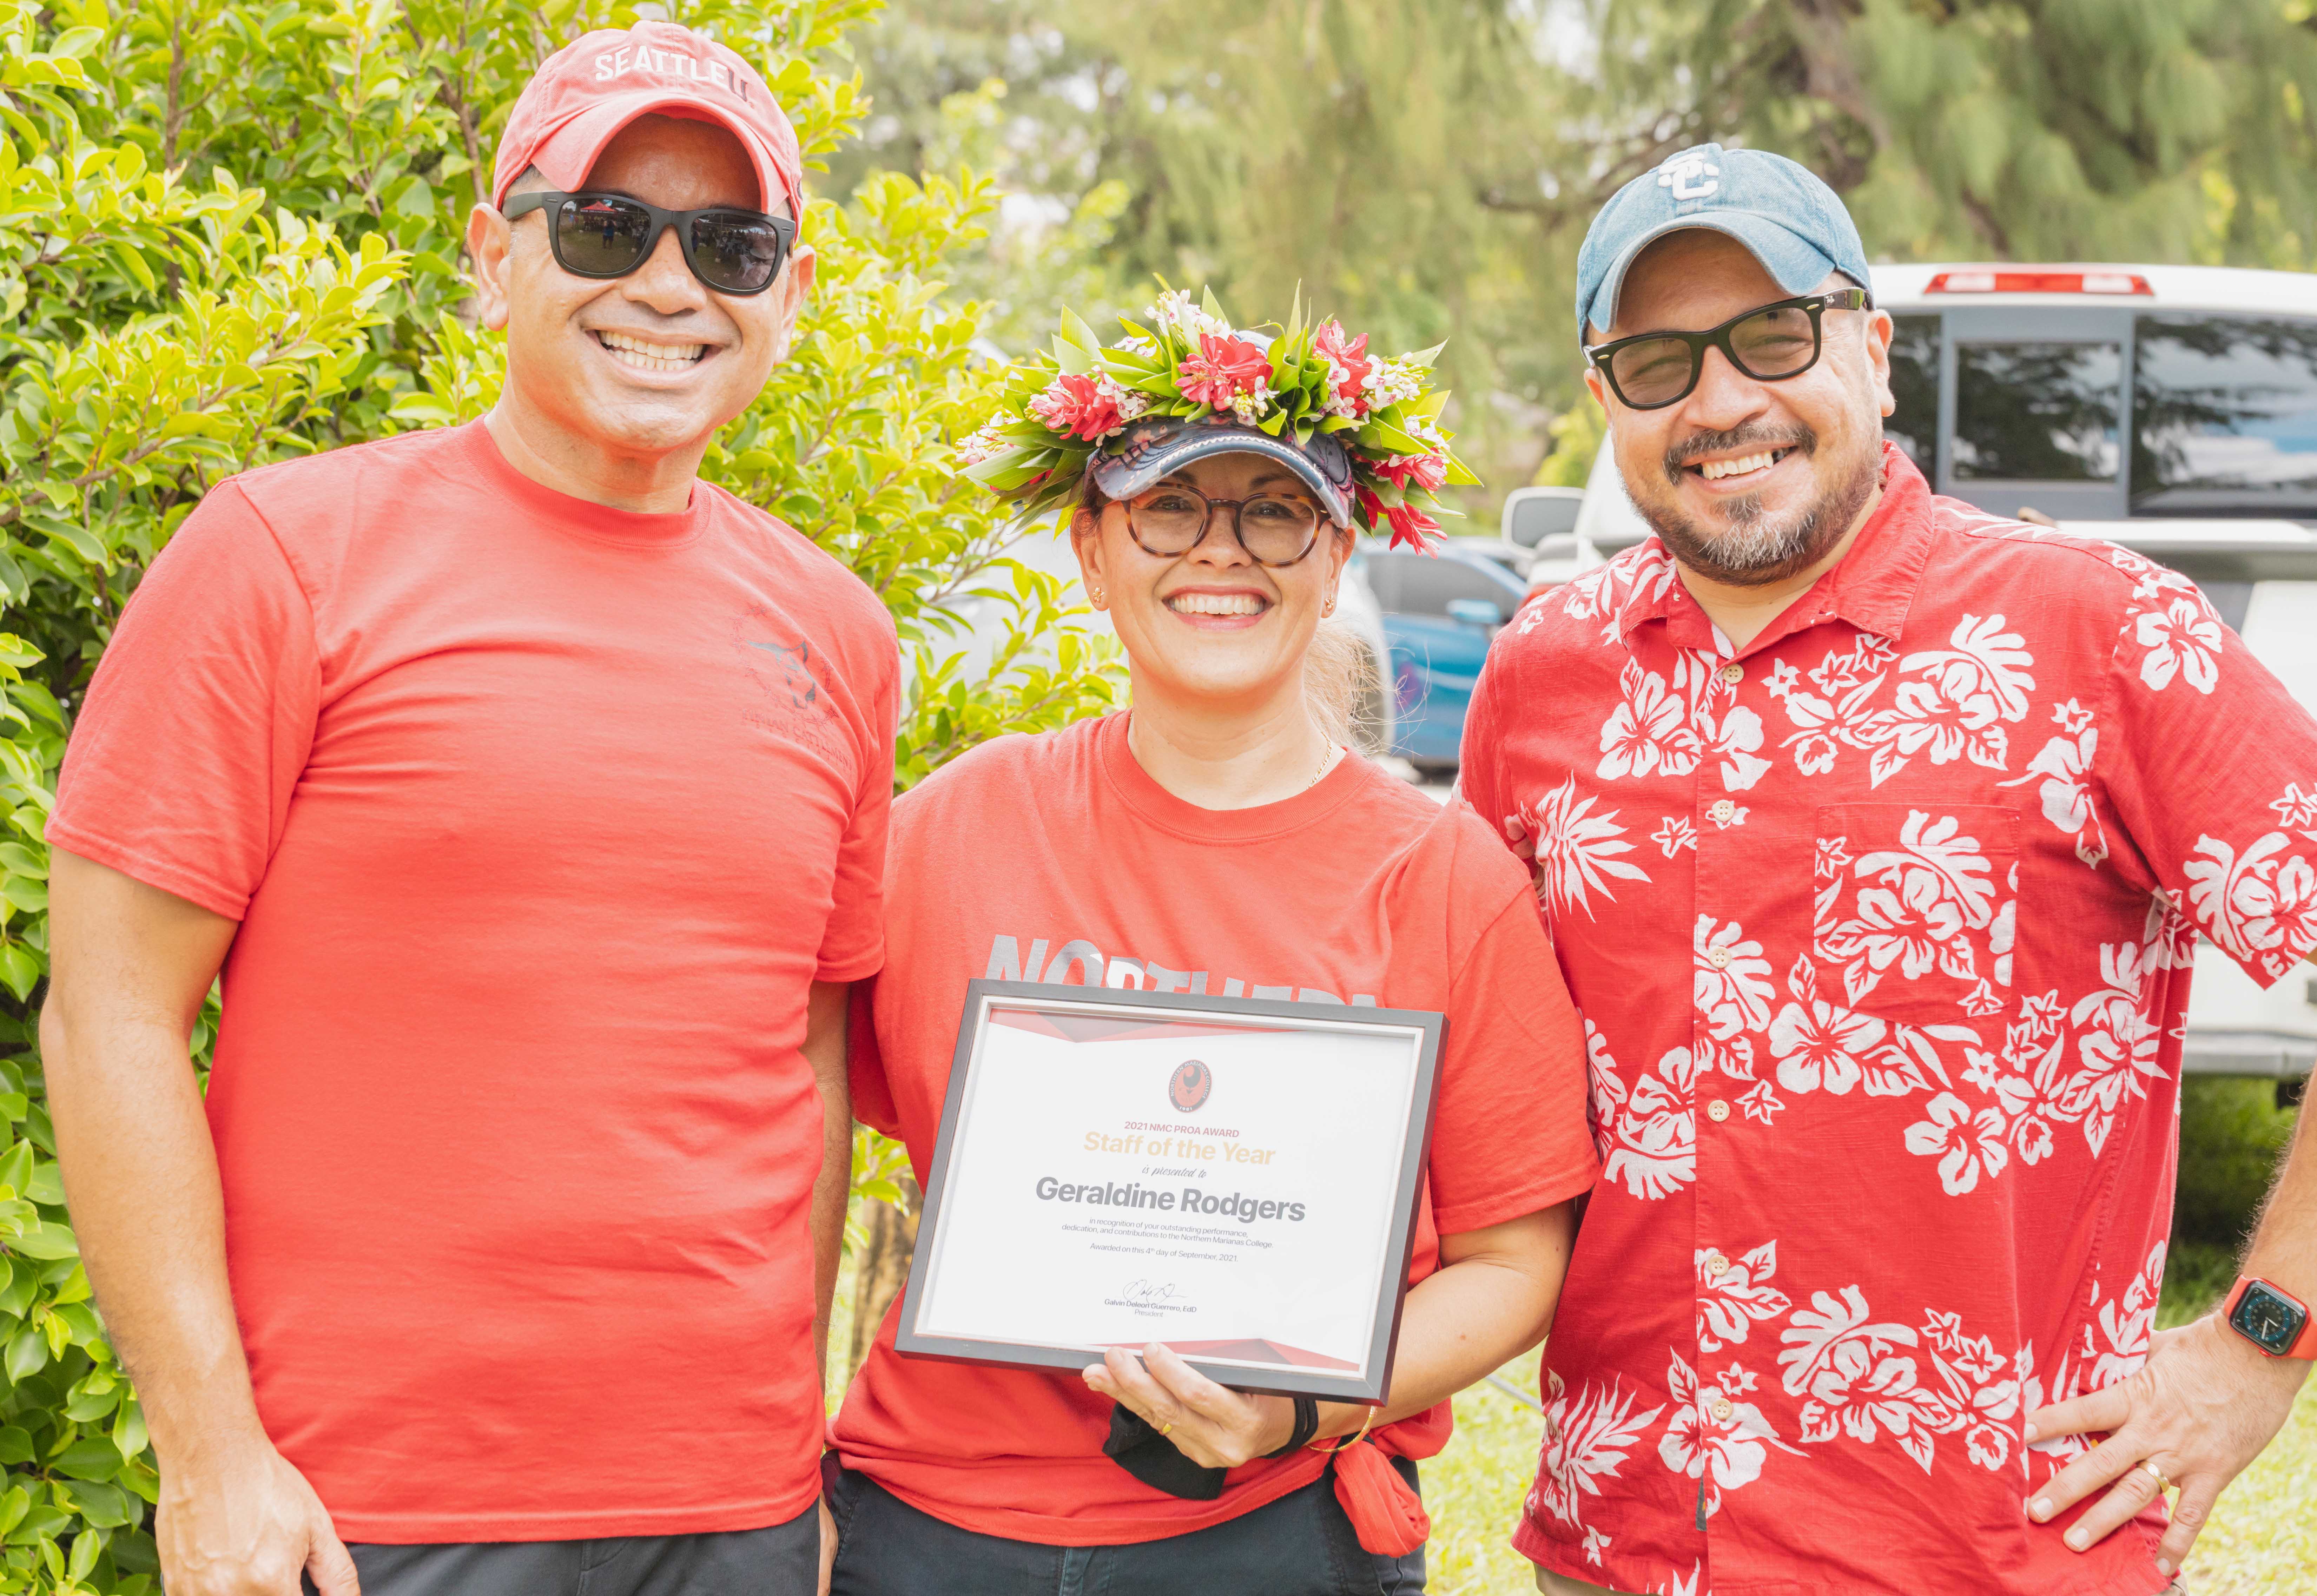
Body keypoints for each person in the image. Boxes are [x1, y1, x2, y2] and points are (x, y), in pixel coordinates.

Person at [39, 21, 895, 1596]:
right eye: (604, 226)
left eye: (729, 243)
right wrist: (210, 1450)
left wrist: (798, 1456)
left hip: (733, 1510)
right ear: (494, 257)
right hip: (360, 1510)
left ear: (789, 293)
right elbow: (108, 1017)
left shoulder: (839, 631)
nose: (666, 286)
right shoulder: (283, 558)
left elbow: (804, 1055)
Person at [1461, 141, 2317, 1596]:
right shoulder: (1543, 672)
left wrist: (2263, 1341)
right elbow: (1478, 1070)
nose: (1722, 402)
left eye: (1772, 337)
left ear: (1871, 344)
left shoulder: (2098, 633)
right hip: (1624, 1544)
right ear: (1603, 397)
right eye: (1659, 360)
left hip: (1996, 1554)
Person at [821, 294, 1598, 1595]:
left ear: (1336, 553)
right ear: (1091, 551)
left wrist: (1302, 1409)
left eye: (1273, 511)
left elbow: (1516, 1261)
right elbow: (790, 1121)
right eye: (1170, 508)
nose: (1219, 553)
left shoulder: (1441, 877)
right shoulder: (956, 823)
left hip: (1270, 1533)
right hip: (928, 1527)